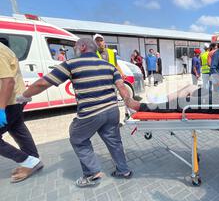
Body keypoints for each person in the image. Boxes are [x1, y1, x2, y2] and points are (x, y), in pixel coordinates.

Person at [17, 38, 135, 187]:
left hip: (91, 113)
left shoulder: (72, 63)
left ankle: (92, 174)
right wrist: (128, 101)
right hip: (112, 110)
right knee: (114, 141)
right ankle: (123, 170)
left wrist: (24, 96)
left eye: (75, 46)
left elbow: (42, 83)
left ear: (83, 47)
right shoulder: (109, 65)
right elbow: (121, 86)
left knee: (78, 139)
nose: (74, 49)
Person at [0, 39, 44, 183]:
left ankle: (29, 162)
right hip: (14, 99)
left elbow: (8, 81)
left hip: (10, 101)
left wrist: (1, 109)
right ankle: (33, 160)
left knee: (16, 128)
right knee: (17, 128)